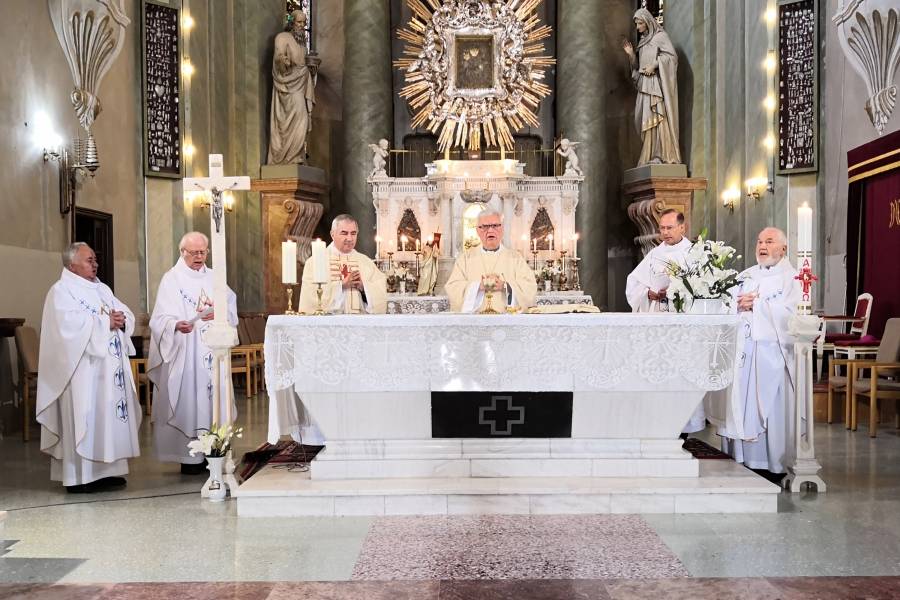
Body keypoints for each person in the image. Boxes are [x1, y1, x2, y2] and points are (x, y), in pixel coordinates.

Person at [36, 243, 141, 493]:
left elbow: (122, 311)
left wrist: (122, 320)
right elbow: (66, 328)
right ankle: (80, 477)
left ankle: (109, 472)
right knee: (87, 417)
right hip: (82, 371)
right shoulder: (61, 291)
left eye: (95, 259)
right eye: (89, 260)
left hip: (109, 369)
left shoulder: (102, 288)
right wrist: (105, 322)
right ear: (72, 265)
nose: (94, 264)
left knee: (109, 419)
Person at [148, 232, 238, 474]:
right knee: (190, 399)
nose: (199, 256)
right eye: (194, 252)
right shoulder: (172, 279)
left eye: (203, 252)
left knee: (213, 400)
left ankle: (215, 452)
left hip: (213, 349)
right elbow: (159, 319)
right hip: (186, 350)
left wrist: (220, 314)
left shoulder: (215, 277)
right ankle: (189, 458)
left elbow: (231, 308)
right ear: (182, 252)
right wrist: (176, 325)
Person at [721, 227, 801, 477]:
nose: (762, 246)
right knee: (740, 405)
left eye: (769, 241)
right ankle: (740, 457)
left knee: (768, 408)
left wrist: (758, 305)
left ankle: (770, 464)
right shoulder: (746, 275)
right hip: (743, 353)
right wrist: (735, 304)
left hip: (772, 356)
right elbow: (725, 303)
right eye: (759, 241)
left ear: (783, 249)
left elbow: (793, 316)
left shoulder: (793, 278)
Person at [445, 210, 537, 313]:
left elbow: (530, 288)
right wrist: (477, 287)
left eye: (495, 225)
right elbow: (453, 287)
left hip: (507, 322)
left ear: (502, 229)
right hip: (475, 322)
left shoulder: (515, 258)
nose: (490, 230)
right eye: (484, 226)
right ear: (477, 230)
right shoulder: (465, 258)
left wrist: (505, 286)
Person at [622, 8, 681, 166]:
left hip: (655, 85)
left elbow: (672, 57)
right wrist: (631, 55)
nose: (638, 26)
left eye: (640, 23)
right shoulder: (642, 42)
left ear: (647, 22)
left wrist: (655, 65)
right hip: (644, 85)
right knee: (644, 119)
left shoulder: (661, 37)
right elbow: (637, 67)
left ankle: (660, 154)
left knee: (658, 117)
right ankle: (648, 154)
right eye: (636, 23)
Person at [298, 214, 387, 314]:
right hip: (329, 324)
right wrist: (342, 285)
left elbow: (381, 295)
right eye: (344, 233)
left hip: (360, 323)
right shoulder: (315, 262)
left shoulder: (365, 262)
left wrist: (363, 287)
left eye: (353, 233)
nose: (349, 238)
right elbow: (309, 298)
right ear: (332, 234)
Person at [267, 9, 316, 165]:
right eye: (299, 22)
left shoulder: (302, 46)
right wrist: (283, 61)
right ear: (291, 22)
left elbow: (304, 65)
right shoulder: (282, 37)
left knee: (302, 119)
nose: (302, 25)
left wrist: (312, 70)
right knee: (299, 116)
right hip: (288, 86)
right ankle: (287, 156)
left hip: (301, 84)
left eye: (304, 23)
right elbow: (279, 56)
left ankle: (296, 155)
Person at [626, 209, 691, 313]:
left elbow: (702, 287)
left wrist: (672, 291)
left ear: (682, 228)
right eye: (662, 228)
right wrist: (647, 293)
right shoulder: (655, 254)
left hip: (684, 313)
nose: (665, 232)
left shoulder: (693, 253)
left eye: (669, 228)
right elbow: (634, 282)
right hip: (657, 311)